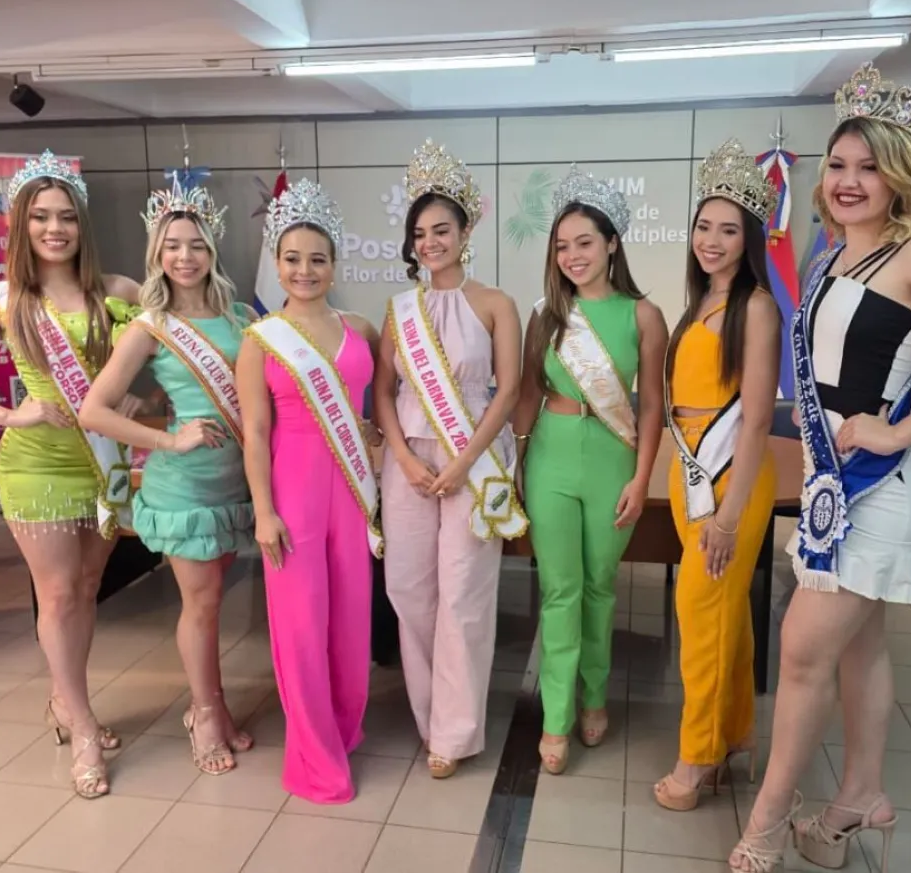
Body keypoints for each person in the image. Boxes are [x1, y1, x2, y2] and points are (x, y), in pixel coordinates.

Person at [729, 64, 911, 872]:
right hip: (833, 480)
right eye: (838, 164)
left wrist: (901, 433)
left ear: (901, 176)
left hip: (879, 487)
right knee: (861, 648)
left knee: (800, 653)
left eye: (870, 166)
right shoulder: (834, 254)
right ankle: (860, 795)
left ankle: (764, 826)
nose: (849, 180)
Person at [0, 151, 144, 800]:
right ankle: (84, 724)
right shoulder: (1, 298)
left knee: (90, 585)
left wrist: (141, 397)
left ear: (82, 224)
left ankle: (64, 702)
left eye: (66, 216)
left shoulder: (118, 292)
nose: (54, 228)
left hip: (103, 460)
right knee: (60, 593)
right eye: (40, 216)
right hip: (37, 464)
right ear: (21, 224)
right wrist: (4, 412)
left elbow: (165, 355)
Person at [79, 179, 255, 775]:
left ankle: (216, 706)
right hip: (185, 487)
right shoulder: (149, 326)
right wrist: (168, 439)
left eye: (197, 245)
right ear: (157, 254)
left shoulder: (240, 316)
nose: (185, 256)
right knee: (202, 605)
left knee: (215, 602)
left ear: (213, 251)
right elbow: (94, 409)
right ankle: (204, 714)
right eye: (173, 246)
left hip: (234, 482)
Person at [373, 140, 524, 780]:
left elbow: (509, 390)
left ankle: (455, 733)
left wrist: (463, 463)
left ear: (465, 232)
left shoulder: (495, 304)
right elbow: (383, 391)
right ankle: (430, 713)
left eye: (441, 230)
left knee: (464, 593)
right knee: (409, 588)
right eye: (419, 234)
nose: (429, 242)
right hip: (409, 458)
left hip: (475, 455)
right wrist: (405, 459)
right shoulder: (398, 310)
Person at [513, 166, 666, 774]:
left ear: (612, 244)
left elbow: (650, 405)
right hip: (551, 455)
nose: (572, 256)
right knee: (560, 589)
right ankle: (556, 718)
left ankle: (594, 694)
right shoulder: (546, 314)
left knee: (601, 585)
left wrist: (642, 477)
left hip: (613, 460)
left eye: (584, 243)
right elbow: (527, 392)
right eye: (561, 246)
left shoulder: (643, 315)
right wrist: (517, 464)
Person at [237, 178, 382, 803]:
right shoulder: (260, 340)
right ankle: (314, 756)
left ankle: (343, 728)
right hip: (292, 492)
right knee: (300, 625)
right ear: (276, 265)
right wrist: (263, 511)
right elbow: (254, 432)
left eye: (317, 259)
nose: (305, 270)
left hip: (351, 492)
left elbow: (378, 409)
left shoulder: (361, 328)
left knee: (350, 620)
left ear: (334, 264)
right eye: (293, 259)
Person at [653, 139, 780, 810]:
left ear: (748, 238)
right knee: (724, 610)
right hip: (692, 471)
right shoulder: (700, 301)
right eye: (704, 226)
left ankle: (696, 756)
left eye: (728, 230)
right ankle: (733, 734)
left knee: (700, 612)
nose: (712, 240)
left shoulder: (755, 307)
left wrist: (729, 517)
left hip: (732, 479)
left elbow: (755, 421)